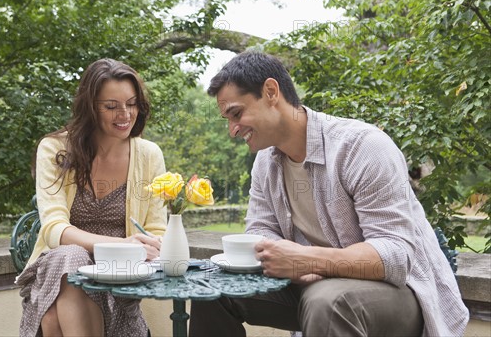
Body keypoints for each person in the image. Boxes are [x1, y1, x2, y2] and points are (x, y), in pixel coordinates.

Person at [189, 51, 468, 337]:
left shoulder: (363, 147)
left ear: (271, 92)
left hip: (402, 293)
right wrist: (288, 261)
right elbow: (261, 229)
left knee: (328, 300)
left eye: (236, 113)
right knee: (211, 288)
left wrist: (307, 260)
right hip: (314, 285)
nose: (232, 130)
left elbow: (395, 256)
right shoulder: (266, 161)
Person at [16, 58, 167, 337]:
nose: (124, 114)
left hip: (118, 283)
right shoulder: (55, 149)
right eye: (111, 106)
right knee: (70, 255)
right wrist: (122, 245)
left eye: (132, 104)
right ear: (90, 107)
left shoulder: (149, 155)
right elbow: (53, 229)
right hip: (56, 273)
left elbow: (157, 232)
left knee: (52, 319)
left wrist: (148, 246)